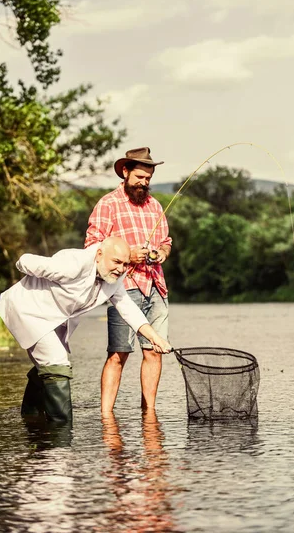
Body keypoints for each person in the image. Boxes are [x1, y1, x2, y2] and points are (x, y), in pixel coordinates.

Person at [0, 236, 171, 424]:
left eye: (125, 264)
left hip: (53, 318)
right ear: (99, 254)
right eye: (116, 262)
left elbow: (128, 309)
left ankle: (31, 418)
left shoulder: (113, 277)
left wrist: (155, 338)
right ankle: (61, 432)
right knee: (56, 363)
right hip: (28, 311)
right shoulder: (71, 264)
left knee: (48, 366)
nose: (121, 269)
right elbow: (25, 261)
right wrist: (28, 270)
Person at [85, 147, 172, 413]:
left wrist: (160, 253)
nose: (144, 183)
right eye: (139, 177)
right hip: (123, 288)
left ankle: (149, 412)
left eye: (148, 178)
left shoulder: (155, 205)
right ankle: (106, 414)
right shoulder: (108, 204)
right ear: (125, 172)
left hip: (156, 287)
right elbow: (92, 246)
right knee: (118, 353)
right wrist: (128, 255)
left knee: (154, 351)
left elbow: (166, 243)